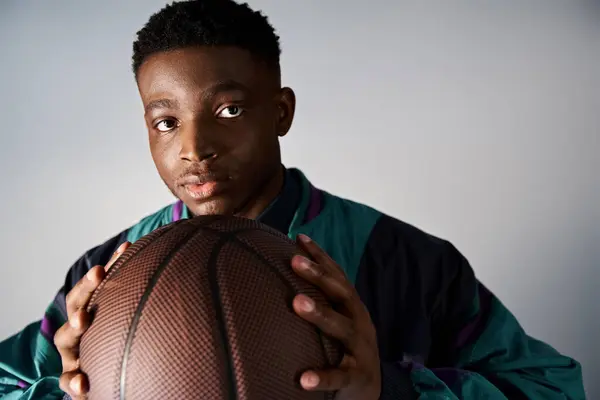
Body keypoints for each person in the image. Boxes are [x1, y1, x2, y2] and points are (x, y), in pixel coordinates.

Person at [0, 1, 585, 399]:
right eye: (166, 121)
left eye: (228, 110)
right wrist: (63, 389)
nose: (194, 147)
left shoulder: (403, 260)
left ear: (281, 112)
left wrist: (390, 388)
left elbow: (553, 388)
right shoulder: (109, 275)